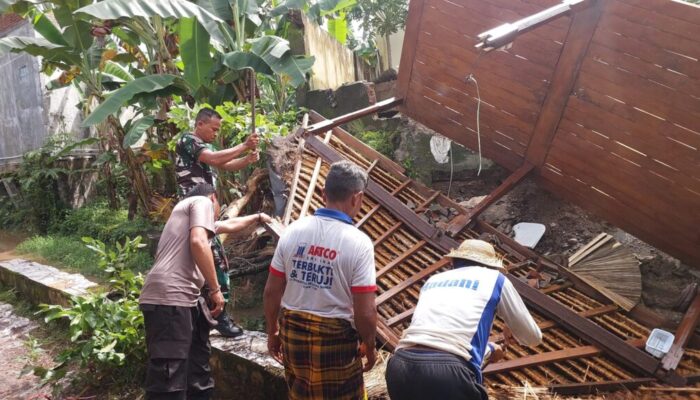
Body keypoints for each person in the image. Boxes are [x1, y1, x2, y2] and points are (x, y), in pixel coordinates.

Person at [264, 160, 378, 400]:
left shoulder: (293, 232)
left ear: (323, 193)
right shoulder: (359, 243)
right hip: (335, 343)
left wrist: (272, 331)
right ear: (357, 198)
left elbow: (271, 292)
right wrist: (370, 344)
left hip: (292, 336)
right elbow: (365, 312)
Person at [385, 239, 543, 400]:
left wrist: (490, 349)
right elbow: (532, 337)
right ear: (492, 266)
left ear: (453, 262)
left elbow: (439, 339)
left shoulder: (434, 280)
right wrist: (511, 327)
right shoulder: (496, 279)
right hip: (448, 374)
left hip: (399, 366)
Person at [175, 107, 260, 337]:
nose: (216, 133)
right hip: (195, 212)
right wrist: (244, 145)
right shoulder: (188, 140)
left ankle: (208, 315)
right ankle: (220, 318)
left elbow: (224, 164)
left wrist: (247, 158)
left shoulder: (205, 148)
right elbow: (214, 158)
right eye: (213, 128)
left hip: (204, 214)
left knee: (212, 259)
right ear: (200, 124)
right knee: (215, 261)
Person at [139, 184, 225, 400]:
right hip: (170, 298)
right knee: (169, 377)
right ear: (214, 198)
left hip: (183, 299)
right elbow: (198, 242)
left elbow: (228, 225)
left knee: (197, 369)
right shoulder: (202, 202)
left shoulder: (181, 214)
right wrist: (215, 289)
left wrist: (260, 218)